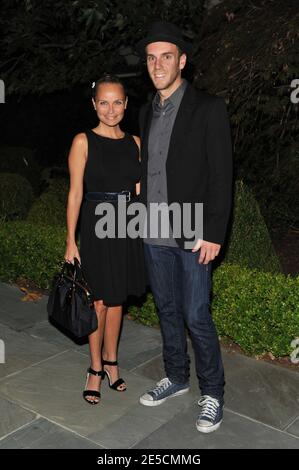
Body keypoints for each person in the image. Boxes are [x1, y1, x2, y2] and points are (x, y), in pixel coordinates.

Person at [136, 21, 233, 433]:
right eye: (151, 58)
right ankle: (176, 377)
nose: (158, 64)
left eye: (166, 56)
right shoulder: (144, 111)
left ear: (182, 62)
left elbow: (221, 174)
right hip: (152, 230)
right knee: (168, 310)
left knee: (196, 315)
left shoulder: (208, 108)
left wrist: (213, 232)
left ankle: (212, 392)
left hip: (194, 232)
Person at [64, 74, 146, 405]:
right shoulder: (83, 141)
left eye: (116, 102)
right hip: (97, 227)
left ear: (126, 104)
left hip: (127, 228)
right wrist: (71, 240)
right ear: (94, 104)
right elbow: (74, 195)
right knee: (98, 301)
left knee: (118, 300)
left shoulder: (136, 143)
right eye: (103, 102)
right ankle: (95, 369)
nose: (110, 109)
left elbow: (140, 193)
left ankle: (112, 361)